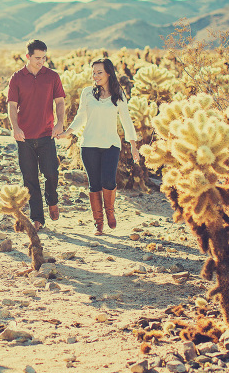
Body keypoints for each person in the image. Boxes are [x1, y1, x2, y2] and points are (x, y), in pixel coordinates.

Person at [57, 58, 139, 235]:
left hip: (111, 144)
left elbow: (126, 120)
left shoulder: (118, 94)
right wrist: (68, 132)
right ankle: (98, 223)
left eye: (99, 72)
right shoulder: (87, 93)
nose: (95, 76)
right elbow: (81, 117)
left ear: (108, 73)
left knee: (108, 181)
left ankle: (110, 212)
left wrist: (133, 145)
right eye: (93, 73)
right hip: (89, 145)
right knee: (94, 184)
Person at [7, 39, 66, 230]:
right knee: (29, 178)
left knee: (51, 172)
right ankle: (38, 218)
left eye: (44, 58)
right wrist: (15, 128)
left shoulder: (52, 76)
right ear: (28, 57)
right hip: (24, 137)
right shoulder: (17, 78)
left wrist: (60, 122)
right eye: (37, 58)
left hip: (46, 134)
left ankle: (52, 200)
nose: (41, 61)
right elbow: (12, 106)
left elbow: (59, 102)